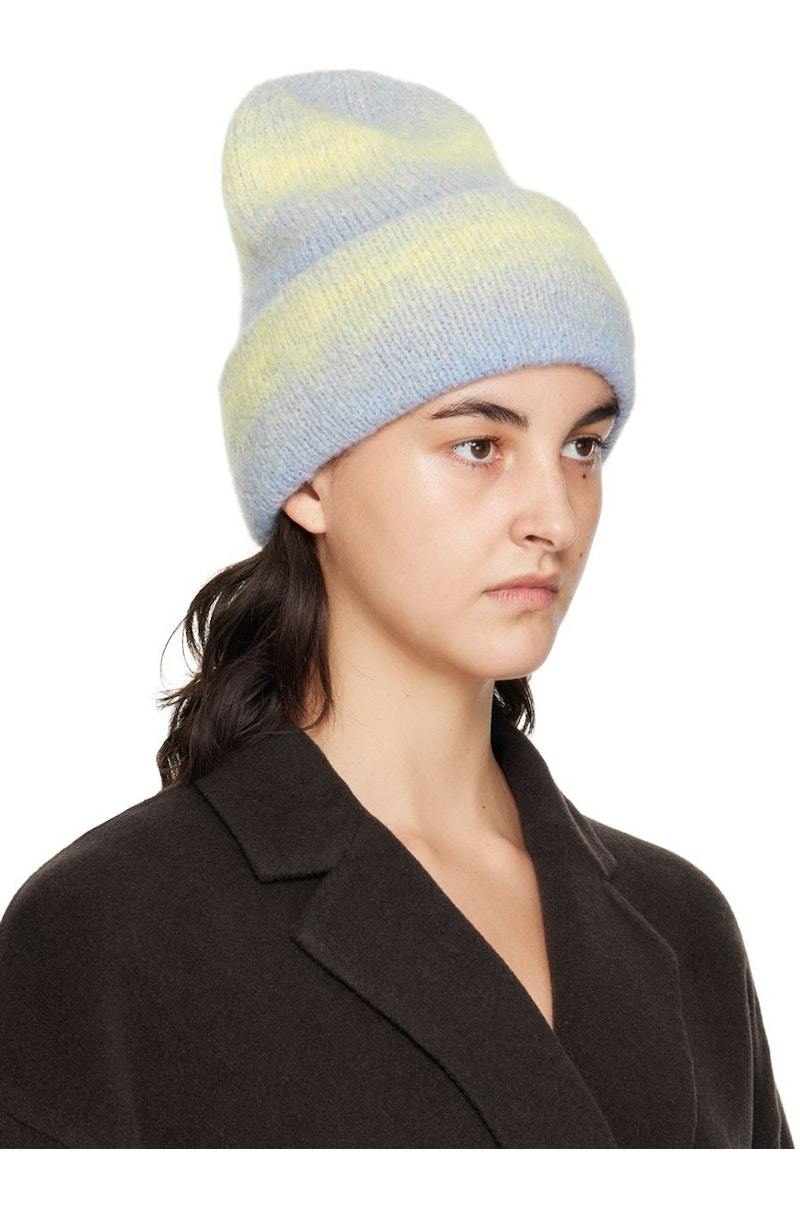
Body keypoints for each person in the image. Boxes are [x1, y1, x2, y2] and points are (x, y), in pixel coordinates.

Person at [0, 68, 791, 1149]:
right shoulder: (105, 936)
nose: (553, 513)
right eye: (478, 444)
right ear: (308, 478)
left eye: (583, 444)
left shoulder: (681, 924)